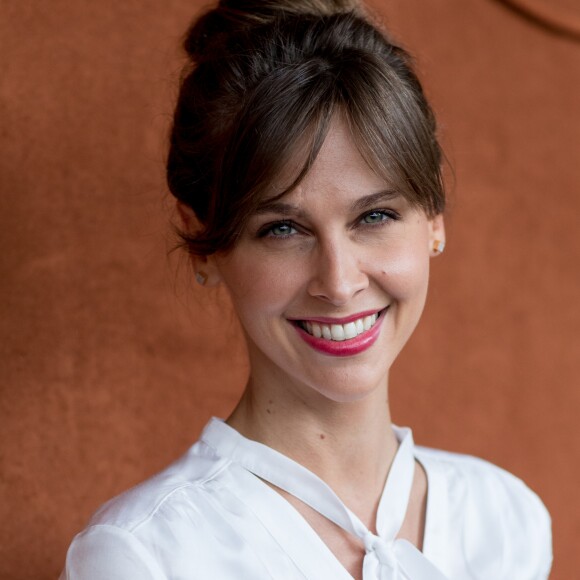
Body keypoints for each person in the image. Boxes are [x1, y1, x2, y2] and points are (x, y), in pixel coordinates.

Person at [60, 0, 552, 578]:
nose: (339, 283)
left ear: (434, 216)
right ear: (205, 240)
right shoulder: (144, 555)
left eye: (375, 216)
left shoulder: (508, 520)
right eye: (283, 229)